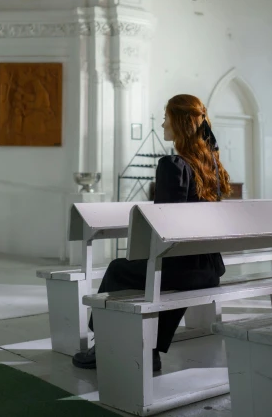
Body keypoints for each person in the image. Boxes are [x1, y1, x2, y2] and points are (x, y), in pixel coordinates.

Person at [72, 94, 232, 371]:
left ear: (179, 123)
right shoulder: (212, 167)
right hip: (210, 269)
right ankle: (151, 349)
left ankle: (104, 344)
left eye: (165, 118)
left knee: (118, 269)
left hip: (187, 270)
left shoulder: (173, 165)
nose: (162, 125)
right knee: (167, 277)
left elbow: (164, 226)